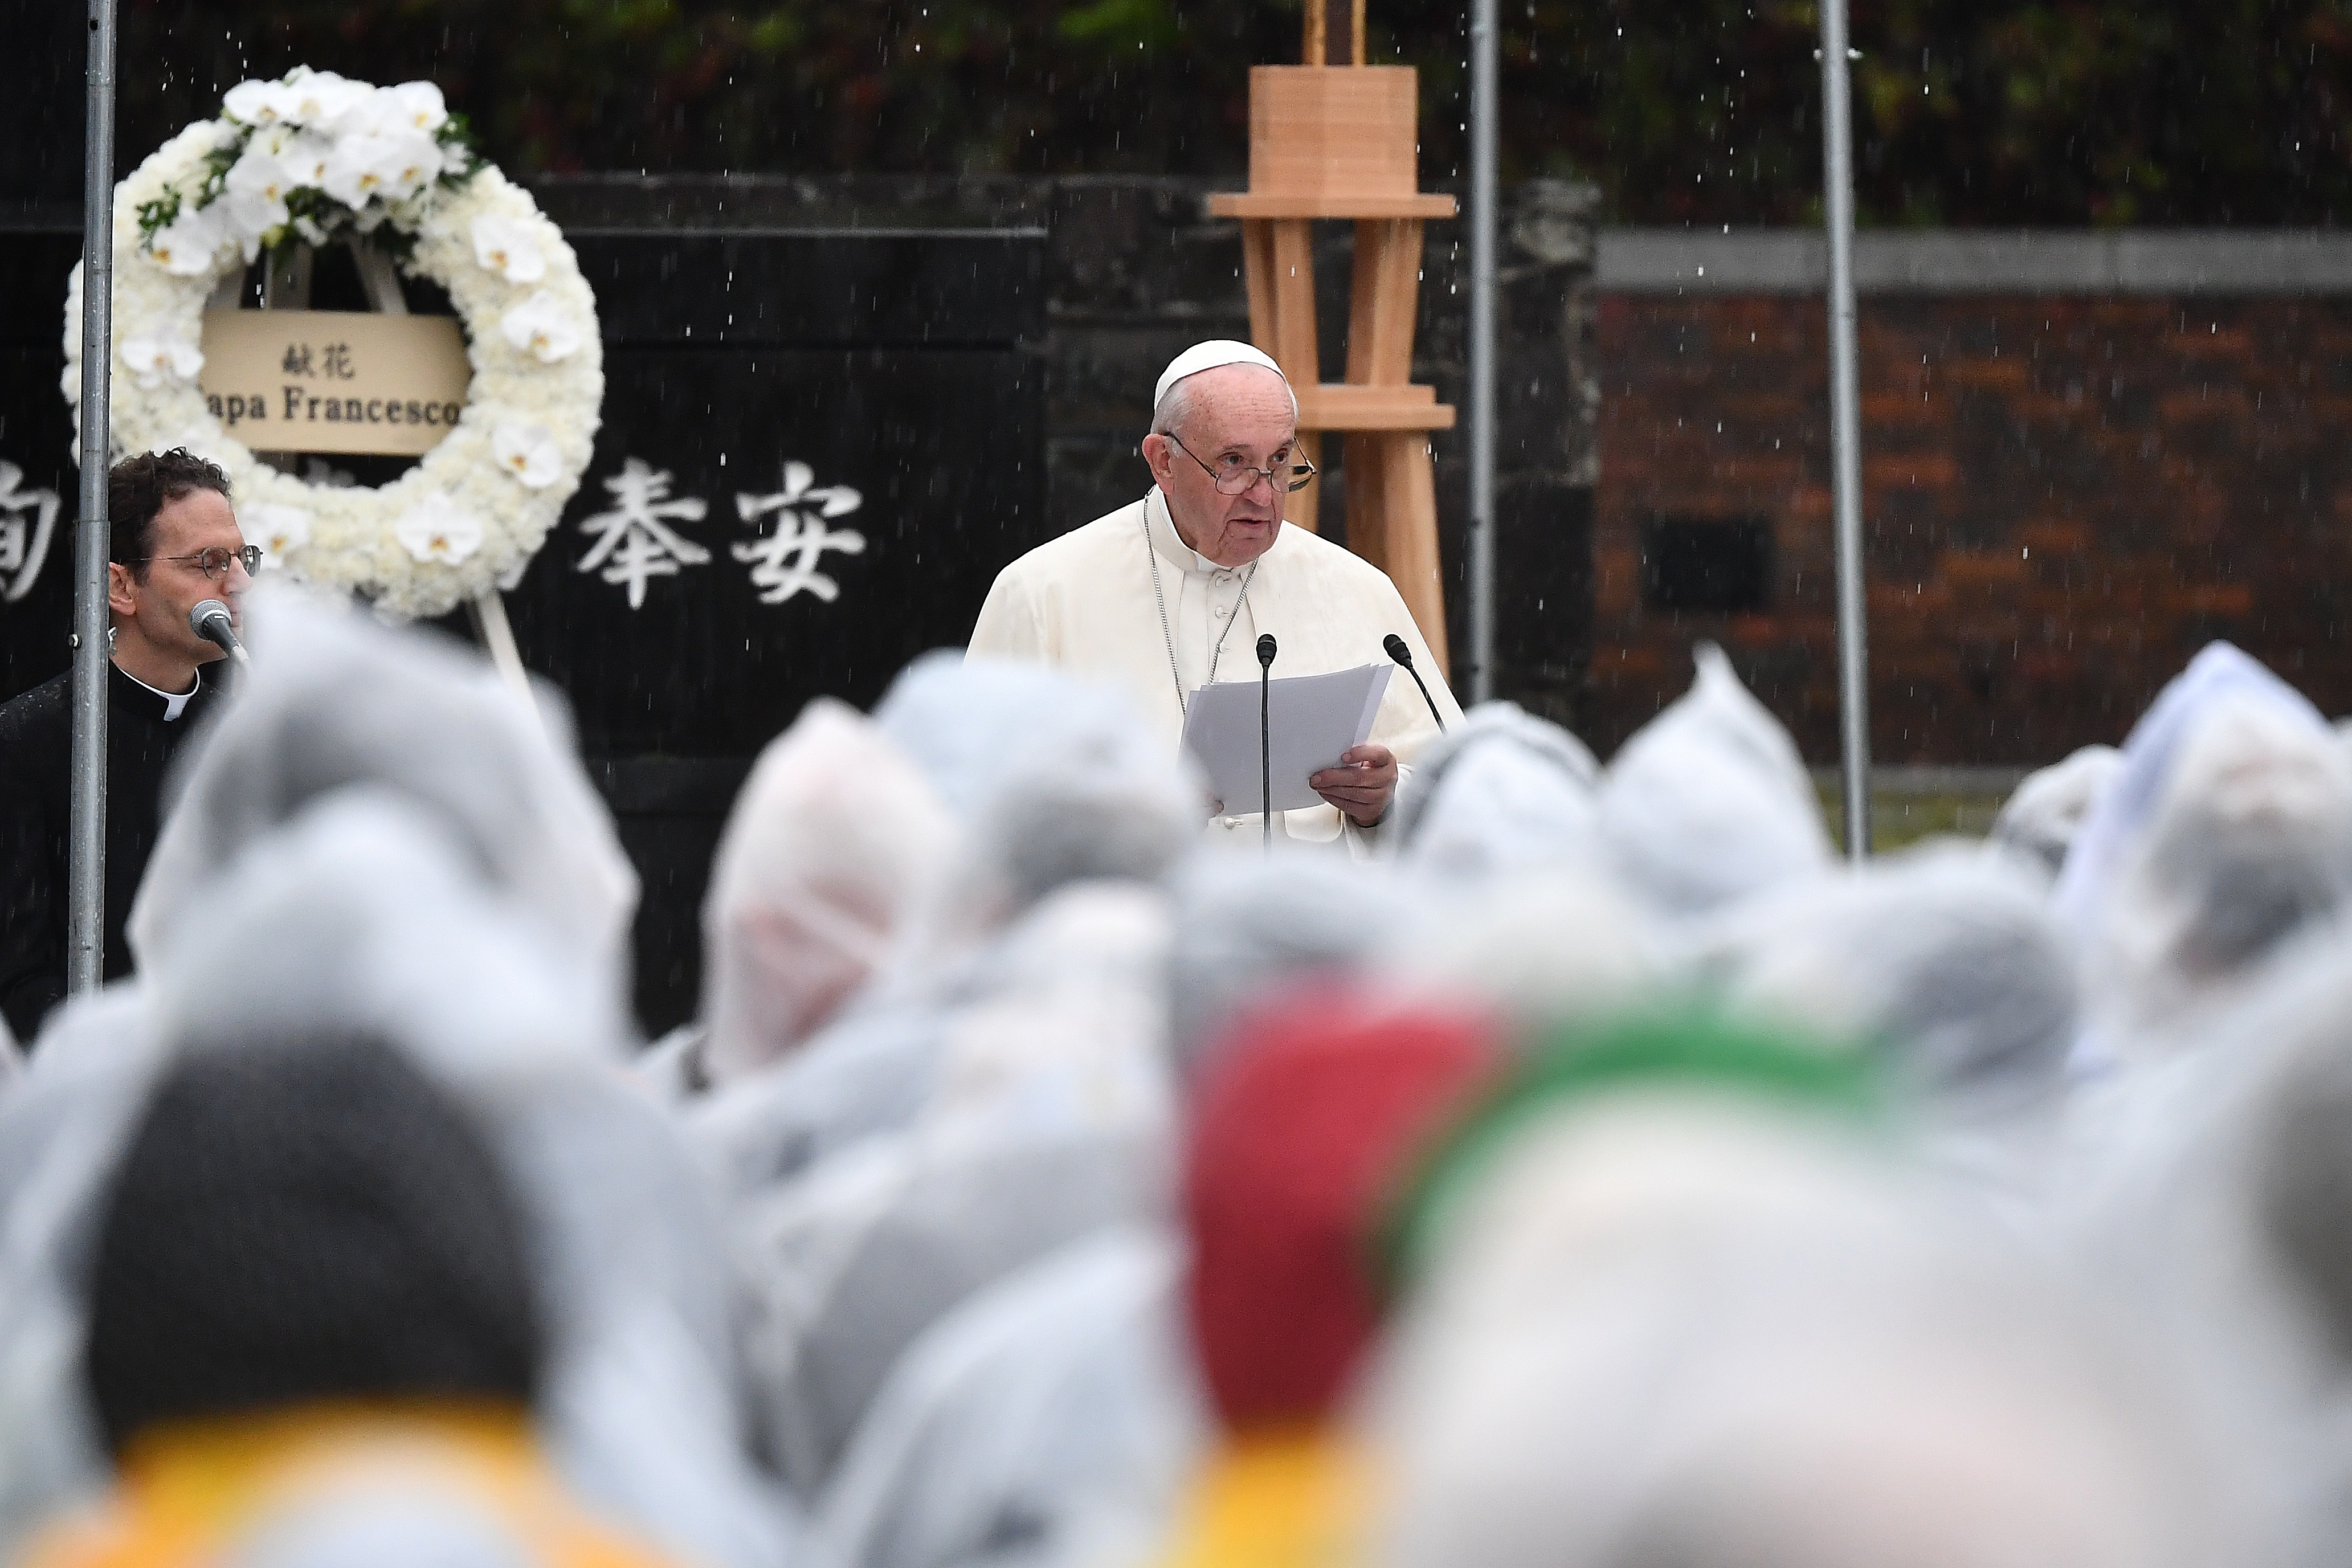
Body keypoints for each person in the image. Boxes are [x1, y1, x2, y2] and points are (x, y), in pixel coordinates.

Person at [966, 341, 1462, 853]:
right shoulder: (1043, 593)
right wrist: (1115, 817)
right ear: (1164, 462)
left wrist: (1386, 800)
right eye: (1234, 462)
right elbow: (968, 797)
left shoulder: (1357, 589)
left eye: (1279, 461)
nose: (1264, 494)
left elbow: (1455, 792)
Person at [0, 448, 253, 1043]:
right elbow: (18, 974)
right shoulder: (25, 742)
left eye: (243, 558)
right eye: (209, 562)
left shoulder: (242, 731)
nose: (238, 582)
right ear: (120, 585)